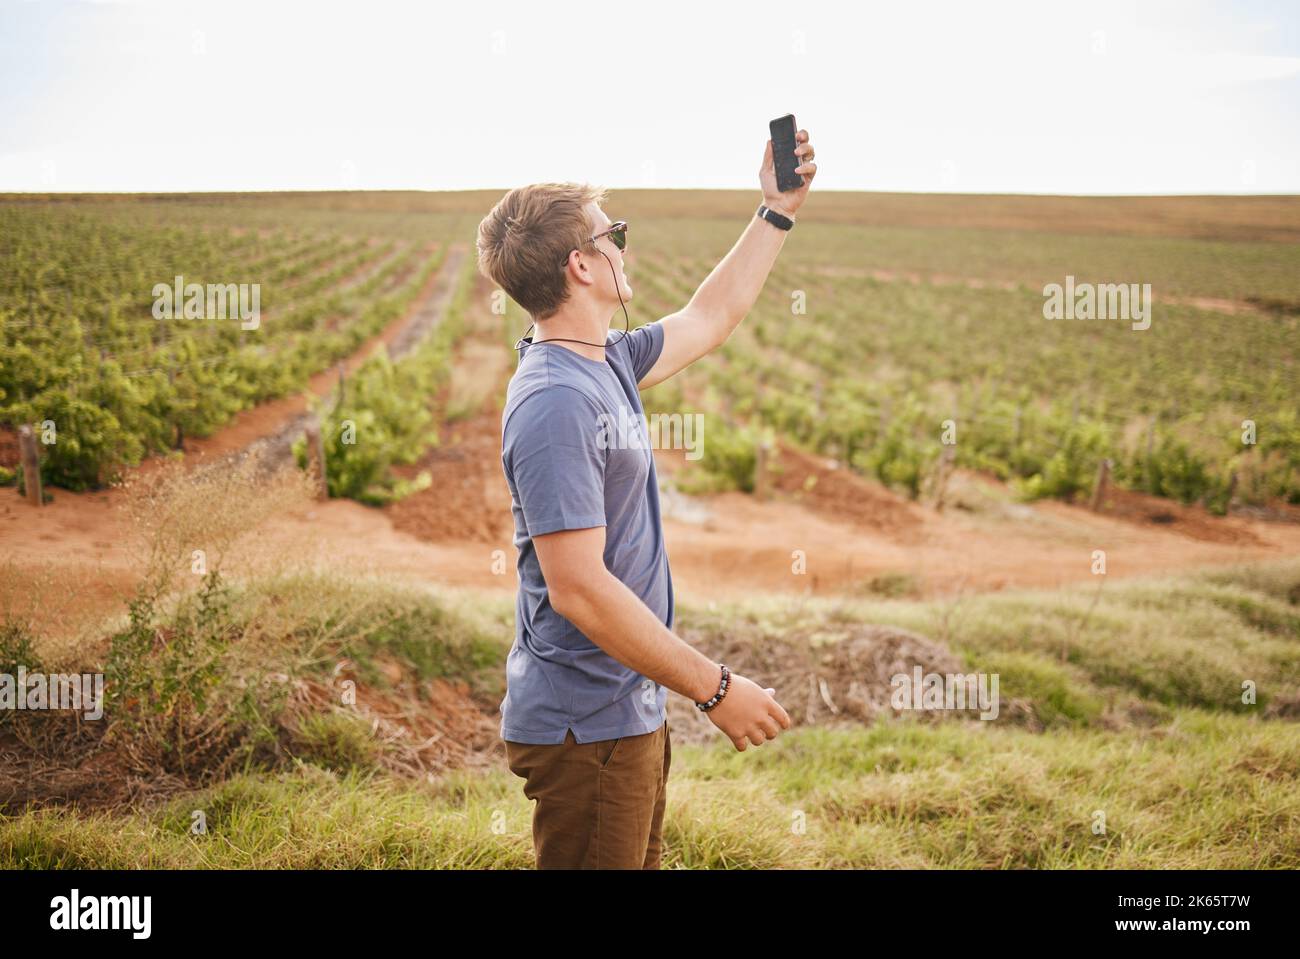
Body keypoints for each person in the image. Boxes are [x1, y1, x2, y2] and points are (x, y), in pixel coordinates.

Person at [474, 127, 818, 869]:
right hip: (584, 724)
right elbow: (580, 590)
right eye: (614, 235)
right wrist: (716, 687)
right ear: (583, 264)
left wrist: (776, 210)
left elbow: (711, 316)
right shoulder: (556, 400)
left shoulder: (607, 359)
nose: (624, 249)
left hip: (622, 708)